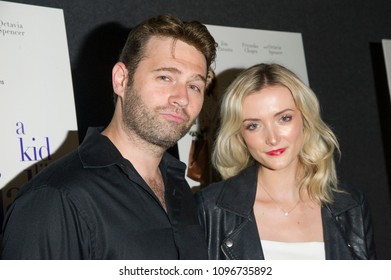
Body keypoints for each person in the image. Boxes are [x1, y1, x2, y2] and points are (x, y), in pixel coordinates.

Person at [1, 14, 217, 259]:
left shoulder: (180, 188)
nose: (182, 97)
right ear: (121, 80)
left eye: (194, 86)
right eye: (165, 77)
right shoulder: (55, 197)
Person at [195, 63, 376, 260]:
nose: (272, 138)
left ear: (305, 120)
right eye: (254, 125)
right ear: (240, 135)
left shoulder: (350, 206)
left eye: (284, 118)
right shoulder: (211, 209)